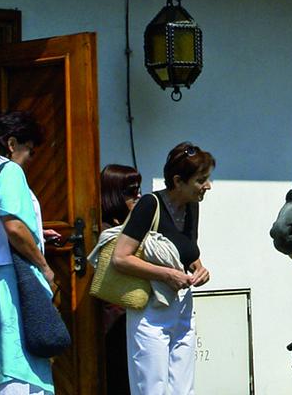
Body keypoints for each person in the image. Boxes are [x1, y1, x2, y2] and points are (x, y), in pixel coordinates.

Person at [0, 111, 61, 395]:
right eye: (29, 150)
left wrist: (37, 233)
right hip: (12, 282)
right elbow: (13, 226)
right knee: (17, 372)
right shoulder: (9, 171)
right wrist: (44, 266)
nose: (30, 159)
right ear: (11, 144)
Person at [113, 142, 216, 395]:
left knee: (183, 387)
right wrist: (167, 274)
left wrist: (200, 269)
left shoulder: (192, 205)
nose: (208, 186)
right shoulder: (150, 204)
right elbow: (121, 257)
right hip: (151, 308)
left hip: (182, 305)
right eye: (201, 180)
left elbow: (188, 251)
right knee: (152, 386)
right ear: (178, 181)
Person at [99, 164, 144, 395]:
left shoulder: (131, 226)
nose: (138, 195)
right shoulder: (105, 230)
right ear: (114, 194)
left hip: (132, 316)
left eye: (139, 189)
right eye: (130, 191)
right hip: (113, 318)